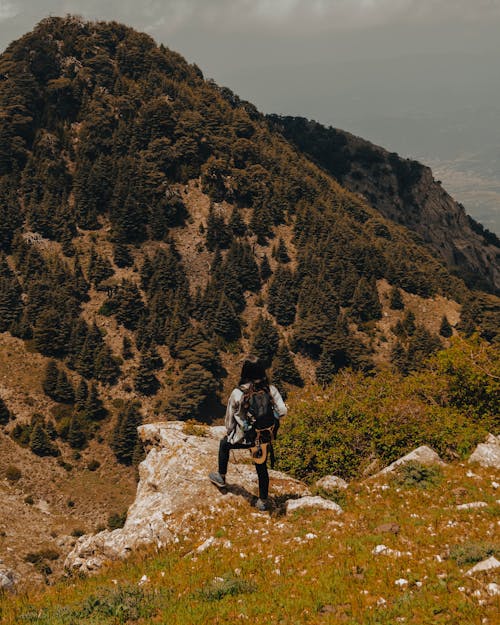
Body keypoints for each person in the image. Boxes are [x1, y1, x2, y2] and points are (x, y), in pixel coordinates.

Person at [209, 355, 287, 511]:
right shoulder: (270, 390)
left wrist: (232, 435)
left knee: (224, 444)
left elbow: (229, 421)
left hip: (246, 437)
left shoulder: (238, 393)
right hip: (263, 436)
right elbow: (283, 411)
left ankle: (221, 477)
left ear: (245, 372)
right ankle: (263, 501)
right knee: (261, 467)